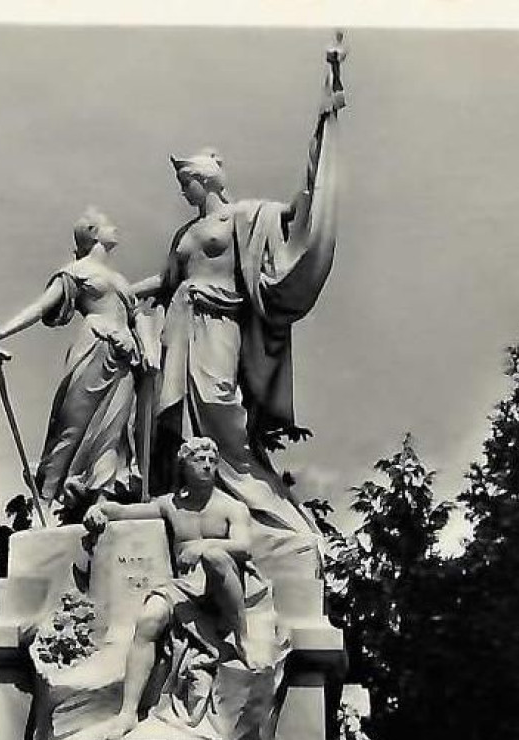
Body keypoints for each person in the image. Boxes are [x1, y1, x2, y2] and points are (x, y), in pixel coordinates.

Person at [130, 38, 349, 540]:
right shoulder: (182, 236)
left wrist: (322, 130)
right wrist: (123, 292)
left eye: (186, 180)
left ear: (203, 179)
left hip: (219, 322)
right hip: (180, 326)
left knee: (222, 406)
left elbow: (302, 210)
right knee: (180, 415)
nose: (183, 190)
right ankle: (189, 497)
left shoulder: (246, 215)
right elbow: (165, 284)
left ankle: (253, 495)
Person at [79, 436, 256, 740]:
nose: (207, 466)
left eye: (212, 461)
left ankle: (242, 638)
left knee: (215, 556)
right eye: (199, 460)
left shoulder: (232, 507)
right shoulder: (170, 504)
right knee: (149, 618)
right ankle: (128, 712)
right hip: (183, 588)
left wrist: (203, 546)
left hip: (221, 590)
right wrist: (101, 511)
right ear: (183, 466)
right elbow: (126, 512)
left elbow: (243, 547)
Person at [0, 207, 148, 522]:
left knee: (114, 431)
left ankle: (102, 499)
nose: (116, 228)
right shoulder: (75, 271)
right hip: (95, 347)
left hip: (125, 357)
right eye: (109, 224)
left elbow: (139, 319)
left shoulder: (121, 280)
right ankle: (44, 497)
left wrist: (148, 349)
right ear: (93, 232)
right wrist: (2, 330)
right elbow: (41, 306)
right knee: (72, 427)